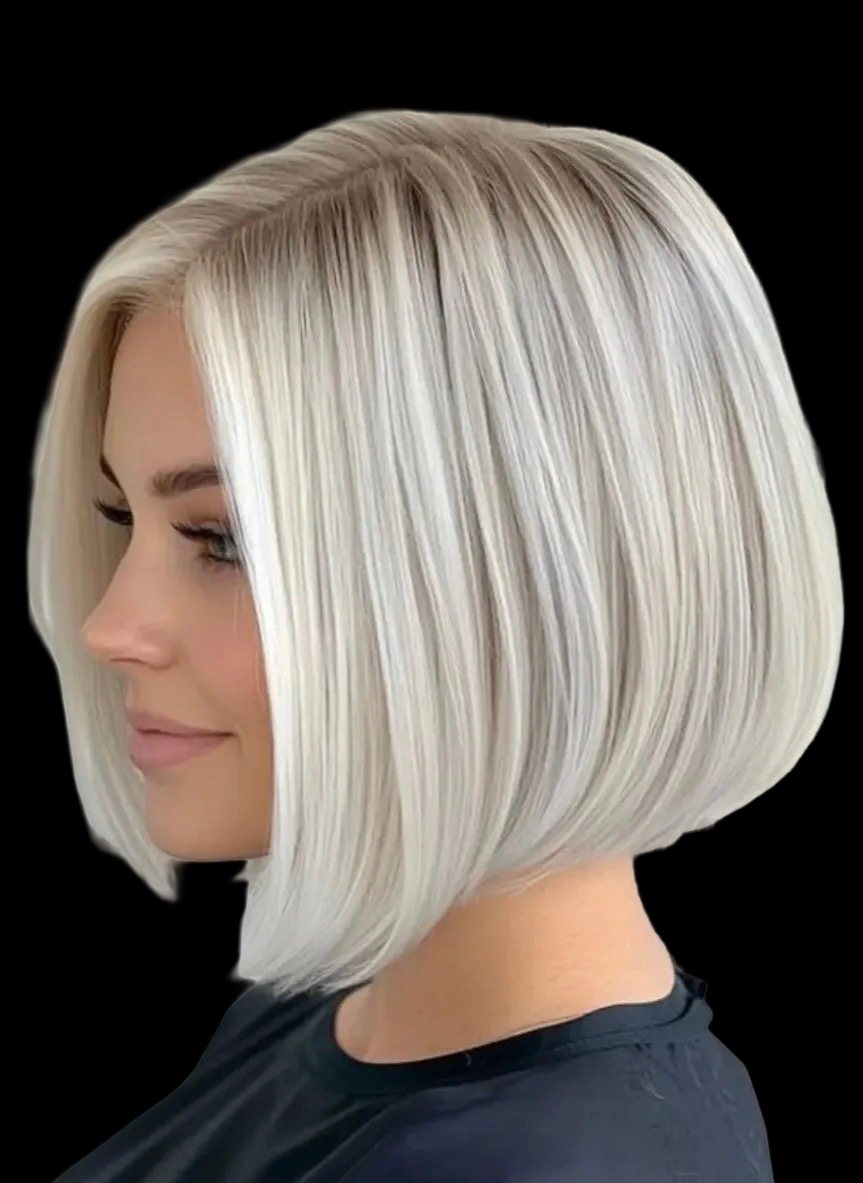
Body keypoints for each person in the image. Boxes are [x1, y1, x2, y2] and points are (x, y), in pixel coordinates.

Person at [31, 108, 841, 1181]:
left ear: (509, 574)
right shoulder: (335, 1017)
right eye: (122, 516)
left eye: (221, 539)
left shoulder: (516, 1160)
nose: (109, 628)